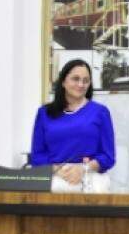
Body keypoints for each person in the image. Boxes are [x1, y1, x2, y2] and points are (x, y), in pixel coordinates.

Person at [29, 59, 116, 193]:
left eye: (86, 80)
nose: (81, 84)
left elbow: (108, 156)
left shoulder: (100, 112)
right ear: (63, 81)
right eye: (76, 79)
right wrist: (58, 170)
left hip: (90, 179)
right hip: (54, 178)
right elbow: (37, 156)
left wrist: (83, 169)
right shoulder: (44, 113)